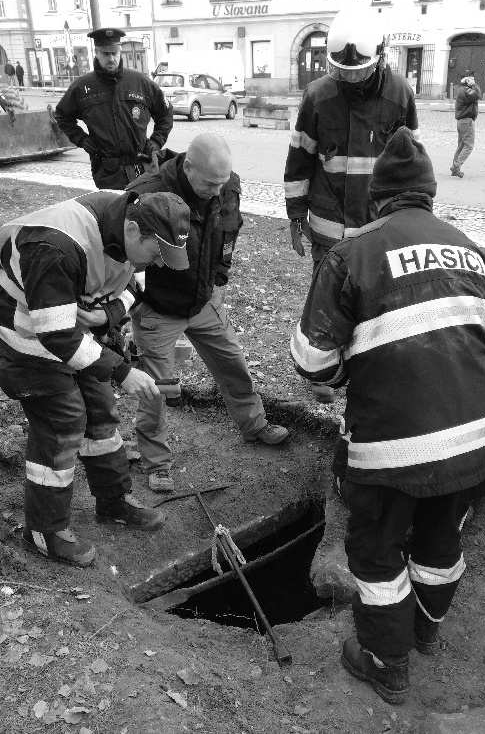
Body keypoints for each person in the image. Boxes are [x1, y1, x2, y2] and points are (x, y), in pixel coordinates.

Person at [291, 127, 485, 704]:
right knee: (439, 543)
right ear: (431, 195)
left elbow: (311, 363)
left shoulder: (350, 255)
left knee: (378, 554)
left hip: (391, 451)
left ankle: (385, 663)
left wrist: (352, 375)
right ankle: (426, 631)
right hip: (472, 445)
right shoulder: (473, 254)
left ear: (377, 198)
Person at [0, 189, 191, 567]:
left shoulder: (124, 227)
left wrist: (110, 313)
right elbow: (56, 336)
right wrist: (122, 371)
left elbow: (134, 284)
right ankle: (44, 531)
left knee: (100, 412)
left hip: (69, 328)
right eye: (157, 252)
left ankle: (114, 502)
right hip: (23, 333)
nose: (160, 263)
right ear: (135, 230)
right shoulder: (55, 246)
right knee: (63, 421)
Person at [126, 134, 289, 493]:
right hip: (159, 309)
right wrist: (135, 302)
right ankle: (157, 462)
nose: (217, 191)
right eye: (209, 183)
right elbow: (123, 254)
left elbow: (230, 233)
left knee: (232, 362)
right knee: (157, 389)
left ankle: (254, 424)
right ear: (187, 167)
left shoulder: (226, 185)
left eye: (221, 182)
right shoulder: (146, 193)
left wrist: (219, 278)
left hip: (203, 301)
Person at [284, 3, 418, 403]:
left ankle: (369, 369)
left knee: (377, 300)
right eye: (341, 70)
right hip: (328, 227)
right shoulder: (318, 97)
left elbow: (410, 162)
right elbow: (299, 160)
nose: (349, 77)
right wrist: (295, 216)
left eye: (358, 70)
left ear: (379, 57)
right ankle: (321, 371)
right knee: (326, 297)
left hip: (378, 225)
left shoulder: (399, 96)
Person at [54, 28, 173, 190]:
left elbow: (165, 113)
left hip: (142, 167)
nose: (111, 58)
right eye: (105, 54)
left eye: (114, 53)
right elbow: (62, 116)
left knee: (144, 212)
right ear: (96, 53)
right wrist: (82, 139)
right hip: (107, 172)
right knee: (114, 212)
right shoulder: (83, 87)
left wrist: (156, 141)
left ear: (120, 51)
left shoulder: (140, 82)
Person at [451, 73, 481, 178]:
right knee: (469, 146)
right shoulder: (466, 90)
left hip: (462, 121)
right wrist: (475, 85)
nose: (473, 81)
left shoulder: (461, 89)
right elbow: (477, 95)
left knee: (462, 145)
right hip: (466, 121)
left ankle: (454, 167)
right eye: (471, 79)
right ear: (466, 80)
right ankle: (456, 166)